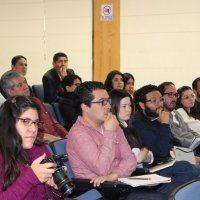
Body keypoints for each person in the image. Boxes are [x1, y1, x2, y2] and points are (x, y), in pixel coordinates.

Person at [67, 81, 170, 200]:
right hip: (101, 192)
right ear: (85, 107)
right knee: (159, 197)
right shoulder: (79, 133)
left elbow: (130, 159)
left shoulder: (111, 123)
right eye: (102, 102)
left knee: (171, 189)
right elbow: (102, 169)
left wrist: (114, 175)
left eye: (108, 101)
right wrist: (109, 132)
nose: (109, 106)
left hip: (121, 182)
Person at [110, 89, 200, 184]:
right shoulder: (138, 123)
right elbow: (159, 152)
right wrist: (164, 124)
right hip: (146, 170)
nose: (159, 104)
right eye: (154, 100)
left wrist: (190, 157)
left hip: (162, 162)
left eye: (161, 100)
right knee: (188, 168)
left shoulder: (152, 118)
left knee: (189, 167)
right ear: (142, 105)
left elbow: (172, 145)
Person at [0, 96, 61, 199]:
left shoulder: (39, 148)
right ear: (8, 123)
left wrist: (55, 185)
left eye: (35, 123)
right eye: (26, 121)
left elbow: (57, 195)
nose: (33, 129)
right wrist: (31, 177)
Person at [0, 70, 68, 143]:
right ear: (9, 91)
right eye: (20, 85)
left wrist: (67, 135)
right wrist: (46, 137)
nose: (26, 87)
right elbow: (17, 135)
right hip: (39, 144)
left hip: (57, 140)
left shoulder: (36, 101)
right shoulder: (8, 110)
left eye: (25, 82)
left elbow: (54, 123)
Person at [158, 82, 200, 149]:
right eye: (170, 94)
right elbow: (177, 138)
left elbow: (189, 130)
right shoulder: (161, 117)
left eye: (175, 94)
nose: (174, 98)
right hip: (186, 150)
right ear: (160, 96)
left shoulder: (175, 112)